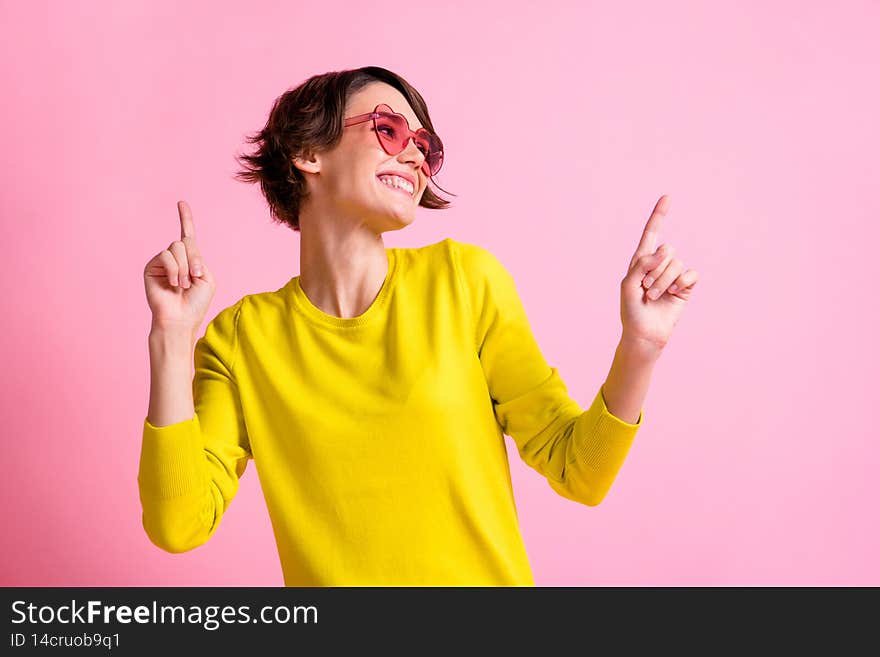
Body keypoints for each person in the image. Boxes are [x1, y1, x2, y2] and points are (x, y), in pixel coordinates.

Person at [139, 65, 698, 587]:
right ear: (308, 152)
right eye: (389, 130)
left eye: (427, 148)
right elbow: (179, 524)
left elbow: (580, 471)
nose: (415, 157)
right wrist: (170, 339)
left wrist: (640, 347)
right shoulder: (242, 339)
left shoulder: (464, 282)